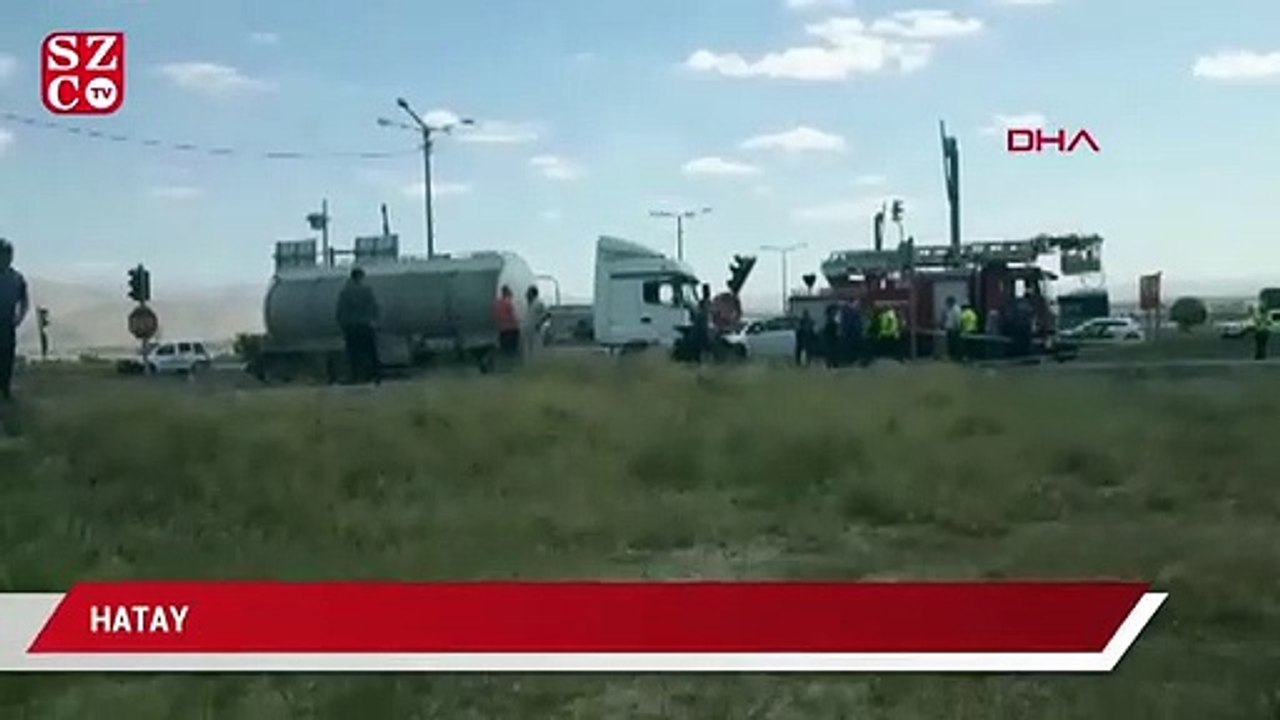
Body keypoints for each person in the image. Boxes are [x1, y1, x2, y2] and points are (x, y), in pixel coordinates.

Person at [335, 267, 381, 384]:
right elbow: (375, 307)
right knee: (371, 352)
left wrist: (342, 325)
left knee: (353, 353)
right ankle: (375, 376)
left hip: (351, 326)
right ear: (361, 277)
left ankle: (356, 376)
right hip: (366, 325)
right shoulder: (367, 291)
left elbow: (340, 311)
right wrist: (374, 320)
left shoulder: (345, 293)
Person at [0, 239, 30, 401]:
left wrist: (20, 316)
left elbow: (24, 300)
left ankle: (5, 389)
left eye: (8, 255)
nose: (5, 258)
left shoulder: (17, 278)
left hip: (7, 324)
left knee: (7, 357)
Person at [494, 285, 521, 364]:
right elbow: (512, 316)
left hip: (502, 330)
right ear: (507, 293)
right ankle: (513, 363)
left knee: (505, 348)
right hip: (512, 329)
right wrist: (518, 321)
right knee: (513, 348)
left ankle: (505, 363)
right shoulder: (508, 303)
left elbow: (495, 316)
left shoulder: (497, 303)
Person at [524, 286, 549, 359]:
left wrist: (539, 324)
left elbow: (547, 314)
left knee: (536, 349)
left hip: (536, 330)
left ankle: (537, 364)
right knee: (528, 350)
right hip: (529, 330)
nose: (527, 294)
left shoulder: (539, 303)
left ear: (532, 293)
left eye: (528, 292)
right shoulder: (530, 303)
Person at [839, 300, 863, 367]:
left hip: (850, 331)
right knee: (851, 346)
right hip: (852, 331)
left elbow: (845, 323)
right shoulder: (853, 313)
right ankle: (851, 359)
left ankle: (850, 359)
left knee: (850, 346)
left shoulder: (847, 312)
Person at [941, 296, 962, 362]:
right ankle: (951, 356)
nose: (946, 304)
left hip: (954, 329)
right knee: (950, 343)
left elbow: (957, 320)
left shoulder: (956, 309)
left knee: (954, 343)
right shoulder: (949, 309)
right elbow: (946, 318)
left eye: (947, 302)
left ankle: (955, 357)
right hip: (949, 328)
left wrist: (956, 328)